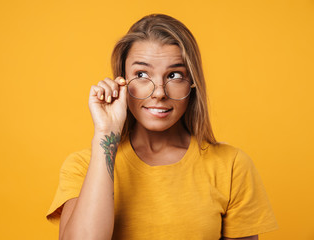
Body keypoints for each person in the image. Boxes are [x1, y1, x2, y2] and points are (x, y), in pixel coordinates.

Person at [46, 14, 278, 240]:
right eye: (142, 74)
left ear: (193, 83)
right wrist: (105, 135)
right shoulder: (83, 166)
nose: (159, 92)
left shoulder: (231, 166)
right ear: (122, 81)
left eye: (175, 75)